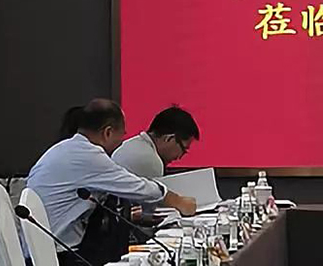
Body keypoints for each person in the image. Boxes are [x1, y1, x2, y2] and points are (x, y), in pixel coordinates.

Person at [27, 99, 197, 266]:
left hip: (41, 249)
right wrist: (177, 201)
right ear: (107, 132)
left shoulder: (64, 149)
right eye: (121, 135)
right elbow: (137, 187)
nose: (121, 142)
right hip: (59, 254)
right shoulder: (89, 156)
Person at [113, 106, 200, 178]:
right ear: (169, 138)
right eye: (183, 149)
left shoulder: (130, 145)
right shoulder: (151, 161)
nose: (179, 157)